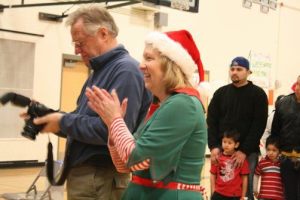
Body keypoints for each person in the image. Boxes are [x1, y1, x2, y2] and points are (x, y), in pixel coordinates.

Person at [32, 6, 152, 200]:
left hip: (101, 178)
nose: (76, 50)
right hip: (92, 178)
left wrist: (62, 121)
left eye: (80, 43)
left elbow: (113, 130)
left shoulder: (125, 71)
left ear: (103, 33)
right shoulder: (102, 70)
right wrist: (48, 117)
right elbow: (83, 120)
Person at [85, 30, 207, 199]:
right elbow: (124, 165)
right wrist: (111, 125)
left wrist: (115, 120)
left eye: (149, 58)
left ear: (170, 64)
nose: (141, 65)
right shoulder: (162, 106)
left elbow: (134, 156)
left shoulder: (183, 104)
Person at [207, 56, 268, 200]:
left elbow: (258, 125)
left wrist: (243, 151)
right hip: (222, 151)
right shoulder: (221, 93)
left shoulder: (258, 94)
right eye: (232, 69)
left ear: (248, 72)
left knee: (244, 193)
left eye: (239, 69)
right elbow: (211, 121)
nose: (235, 72)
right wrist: (214, 146)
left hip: (247, 154)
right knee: (218, 191)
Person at [271, 75, 300, 200]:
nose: (299, 88)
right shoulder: (283, 103)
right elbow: (275, 131)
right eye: (298, 84)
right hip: (287, 159)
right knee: (289, 194)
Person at [210, 130, 249, 200]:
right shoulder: (217, 157)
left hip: (235, 196)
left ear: (236, 145)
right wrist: (213, 191)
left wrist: (243, 196)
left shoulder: (241, 160)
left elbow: (245, 178)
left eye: (229, 143)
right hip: (218, 194)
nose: (226, 145)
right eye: (224, 142)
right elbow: (213, 175)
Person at [253, 135, 284, 200]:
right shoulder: (262, 162)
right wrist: (255, 189)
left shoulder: (282, 163)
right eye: (268, 150)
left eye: (274, 150)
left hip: (278, 197)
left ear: (279, 151)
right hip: (263, 196)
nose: (271, 153)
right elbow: (256, 175)